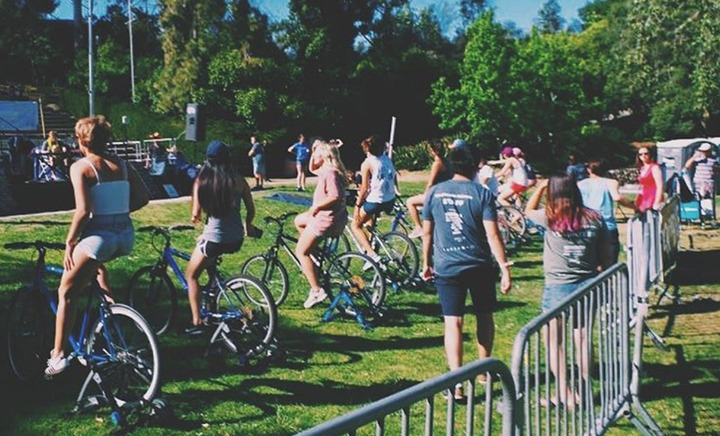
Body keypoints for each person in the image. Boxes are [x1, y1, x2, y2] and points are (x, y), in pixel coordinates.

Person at [45, 117, 150, 376]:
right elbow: (144, 198)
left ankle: (57, 355)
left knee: (67, 292)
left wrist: (70, 241)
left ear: (81, 141)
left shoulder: (81, 167)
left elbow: (83, 211)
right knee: (95, 265)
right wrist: (120, 210)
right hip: (125, 235)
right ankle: (110, 308)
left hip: (99, 238)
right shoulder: (123, 165)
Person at [421, 146, 512, 399]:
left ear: (451, 167)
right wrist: (505, 268)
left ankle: (457, 383)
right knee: (484, 316)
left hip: (447, 266)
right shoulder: (481, 193)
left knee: (454, 323)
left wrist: (425, 263)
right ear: (473, 167)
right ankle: (484, 370)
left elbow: (427, 233)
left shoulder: (433, 193)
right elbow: (493, 234)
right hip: (479, 264)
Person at [524, 175, 612, 408]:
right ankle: (583, 391)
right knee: (583, 340)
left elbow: (527, 210)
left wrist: (541, 188)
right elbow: (604, 257)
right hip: (587, 287)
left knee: (555, 343)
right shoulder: (595, 219)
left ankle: (564, 392)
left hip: (557, 289)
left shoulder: (548, 217)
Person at [185, 141, 260, 334]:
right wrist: (248, 225)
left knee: (191, 276)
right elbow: (251, 209)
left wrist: (203, 224)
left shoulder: (202, 181)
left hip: (214, 238)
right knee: (209, 265)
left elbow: (196, 215)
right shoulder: (238, 179)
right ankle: (213, 295)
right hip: (235, 237)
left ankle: (197, 322)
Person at [294, 140, 349, 308]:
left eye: (316, 154)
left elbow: (335, 196)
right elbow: (311, 169)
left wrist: (317, 206)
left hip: (326, 221)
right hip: (331, 218)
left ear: (324, 156)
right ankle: (315, 257)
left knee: (301, 251)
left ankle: (317, 291)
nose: (313, 156)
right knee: (298, 221)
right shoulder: (327, 170)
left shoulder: (330, 173)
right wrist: (312, 150)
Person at [578, 160, 637, 263]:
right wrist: (635, 207)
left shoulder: (580, 184)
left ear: (589, 170)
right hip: (607, 225)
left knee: (591, 259)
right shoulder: (610, 182)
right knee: (610, 260)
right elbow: (617, 198)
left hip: (586, 224)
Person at [350, 136, 396, 263]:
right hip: (389, 198)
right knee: (369, 218)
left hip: (377, 200)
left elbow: (364, 188)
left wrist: (357, 205)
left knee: (355, 225)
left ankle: (371, 255)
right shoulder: (387, 159)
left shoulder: (368, 163)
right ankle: (372, 243)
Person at [406, 140, 452, 239]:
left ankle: (418, 227)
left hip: (436, 195)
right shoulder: (447, 162)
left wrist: (425, 194)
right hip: (445, 192)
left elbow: (430, 183)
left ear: (433, 150)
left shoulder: (437, 164)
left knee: (410, 202)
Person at [634, 145, 664, 212]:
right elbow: (641, 186)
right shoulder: (642, 168)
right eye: (640, 154)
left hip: (653, 198)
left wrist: (657, 202)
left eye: (646, 153)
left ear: (650, 154)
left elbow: (660, 186)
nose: (643, 156)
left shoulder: (655, 168)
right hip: (643, 198)